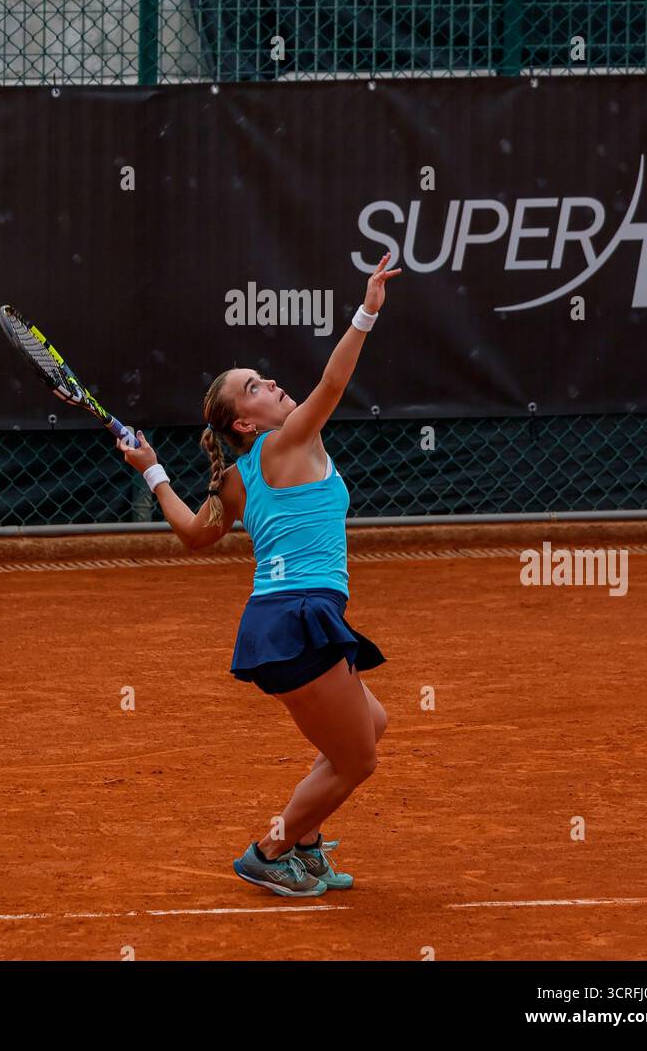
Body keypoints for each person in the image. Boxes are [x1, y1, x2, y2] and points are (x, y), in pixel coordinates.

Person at [118, 252, 401, 896]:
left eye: (263, 377)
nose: (270, 384)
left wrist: (152, 471)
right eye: (254, 387)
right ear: (247, 423)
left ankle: (302, 841)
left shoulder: (236, 478)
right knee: (359, 758)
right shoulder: (283, 445)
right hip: (296, 621)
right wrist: (366, 313)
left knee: (370, 725)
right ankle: (269, 851)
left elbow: (194, 534)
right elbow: (332, 385)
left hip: (286, 623)